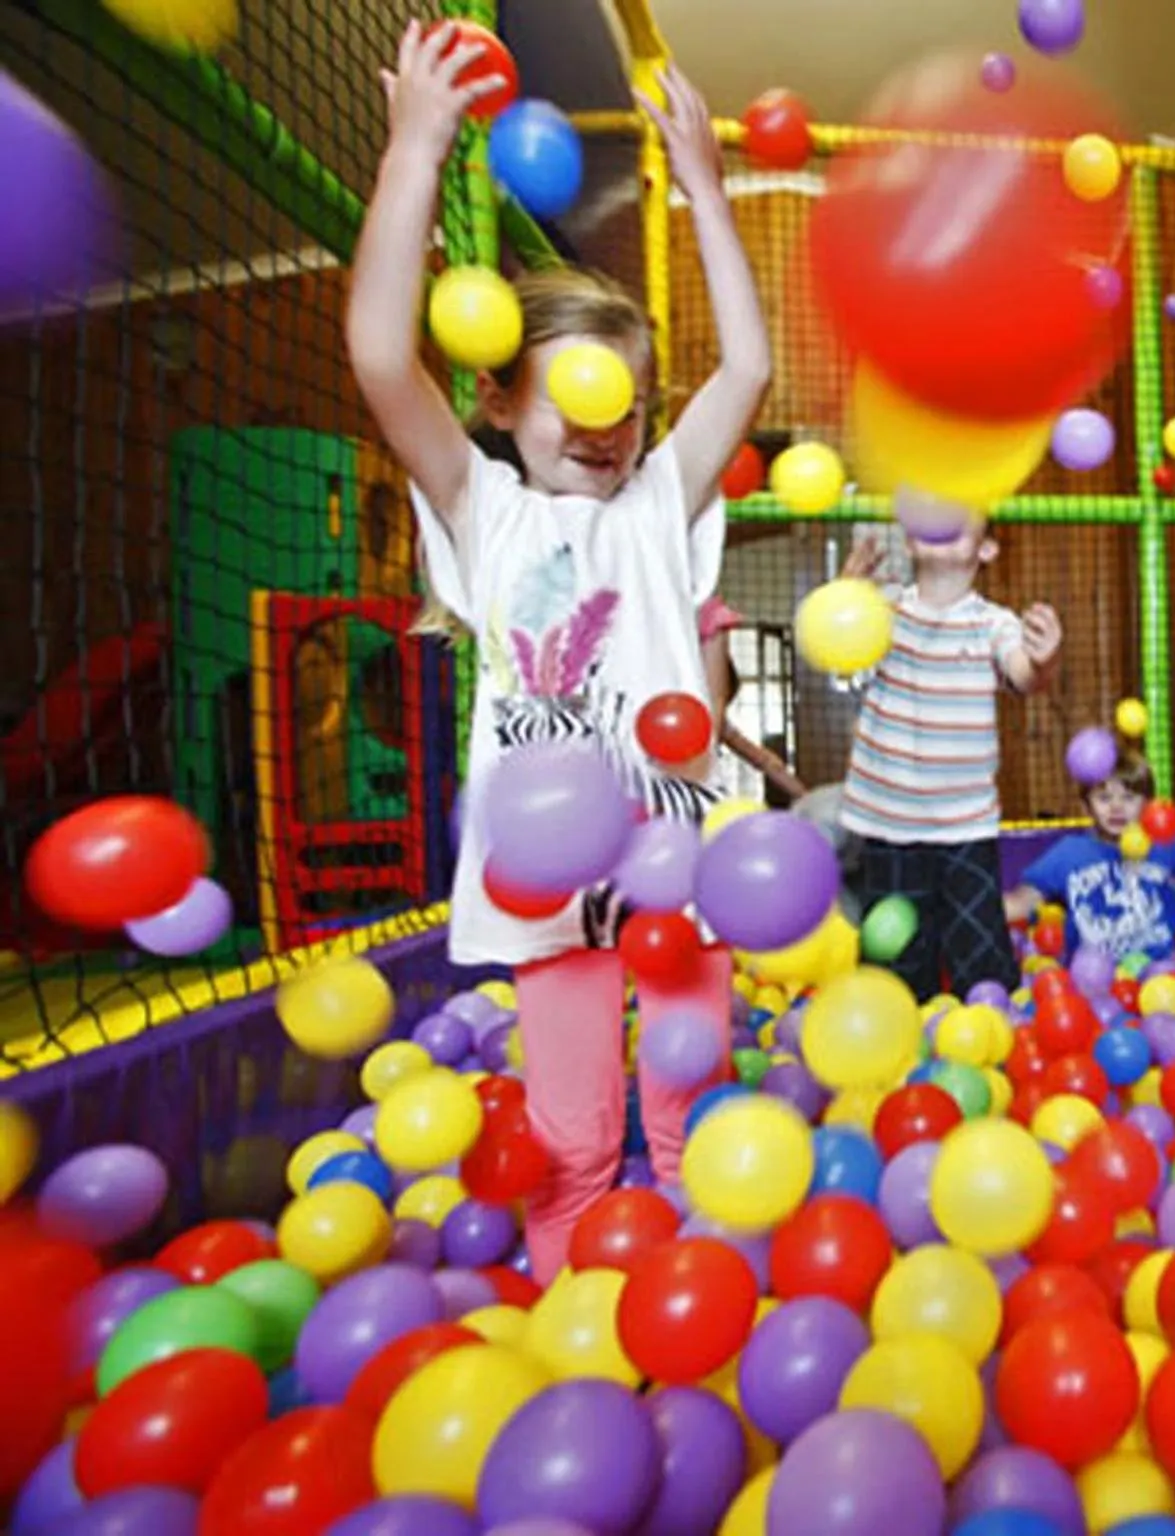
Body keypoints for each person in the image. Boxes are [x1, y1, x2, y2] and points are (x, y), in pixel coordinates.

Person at [346, 26, 771, 1280]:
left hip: (667, 855)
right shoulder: (485, 510)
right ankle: (569, 1323)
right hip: (542, 873)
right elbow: (380, 356)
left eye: (628, 402)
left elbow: (747, 367)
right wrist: (416, 149)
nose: (606, 424)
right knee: (573, 1139)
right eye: (572, 396)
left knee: (693, 1122)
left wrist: (706, 193)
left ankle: (707, 1304)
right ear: (498, 400)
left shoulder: (657, 505)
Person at [838, 495, 1062, 1001]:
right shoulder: (884, 613)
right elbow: (842, 658)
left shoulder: (993, 623)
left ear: (986, 549)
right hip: (890, 822)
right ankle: (899, 1031)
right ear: (910, 539)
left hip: (965, 825)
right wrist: (847, 601)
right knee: (894, 960)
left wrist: (1044, 660)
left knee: (981, 958)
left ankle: (985, 1031)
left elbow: (1024, 675)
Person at [1005, 748, 1175, 962]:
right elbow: (1024, 900)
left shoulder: (1162, 846)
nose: (1116, 807)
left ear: (1147, 805)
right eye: (1104, 798)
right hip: (1093, 972)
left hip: (1160, 968)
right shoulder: (1070, 852)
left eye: (1128, 798)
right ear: (1086, 806)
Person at [698, 594, 807, 802]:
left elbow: (767, 762)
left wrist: (806, 797)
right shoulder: (711, 721)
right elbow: (766, 762)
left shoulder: (720, 727)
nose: (720, 713)